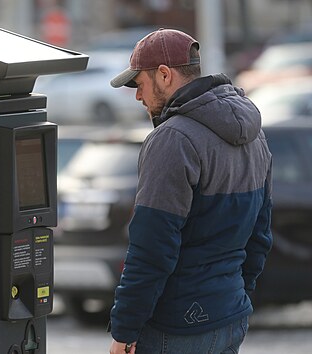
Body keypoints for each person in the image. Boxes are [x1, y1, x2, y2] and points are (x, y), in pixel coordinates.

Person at [107, 28, 273, 354]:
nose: (138, 97)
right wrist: (237, 294)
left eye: (139, 85)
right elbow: (261, 234)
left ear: (165, 75)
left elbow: (151, 249)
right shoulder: (255, 136)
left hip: (176, 326)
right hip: (229, 314)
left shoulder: (173, 140)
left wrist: (125, 328)